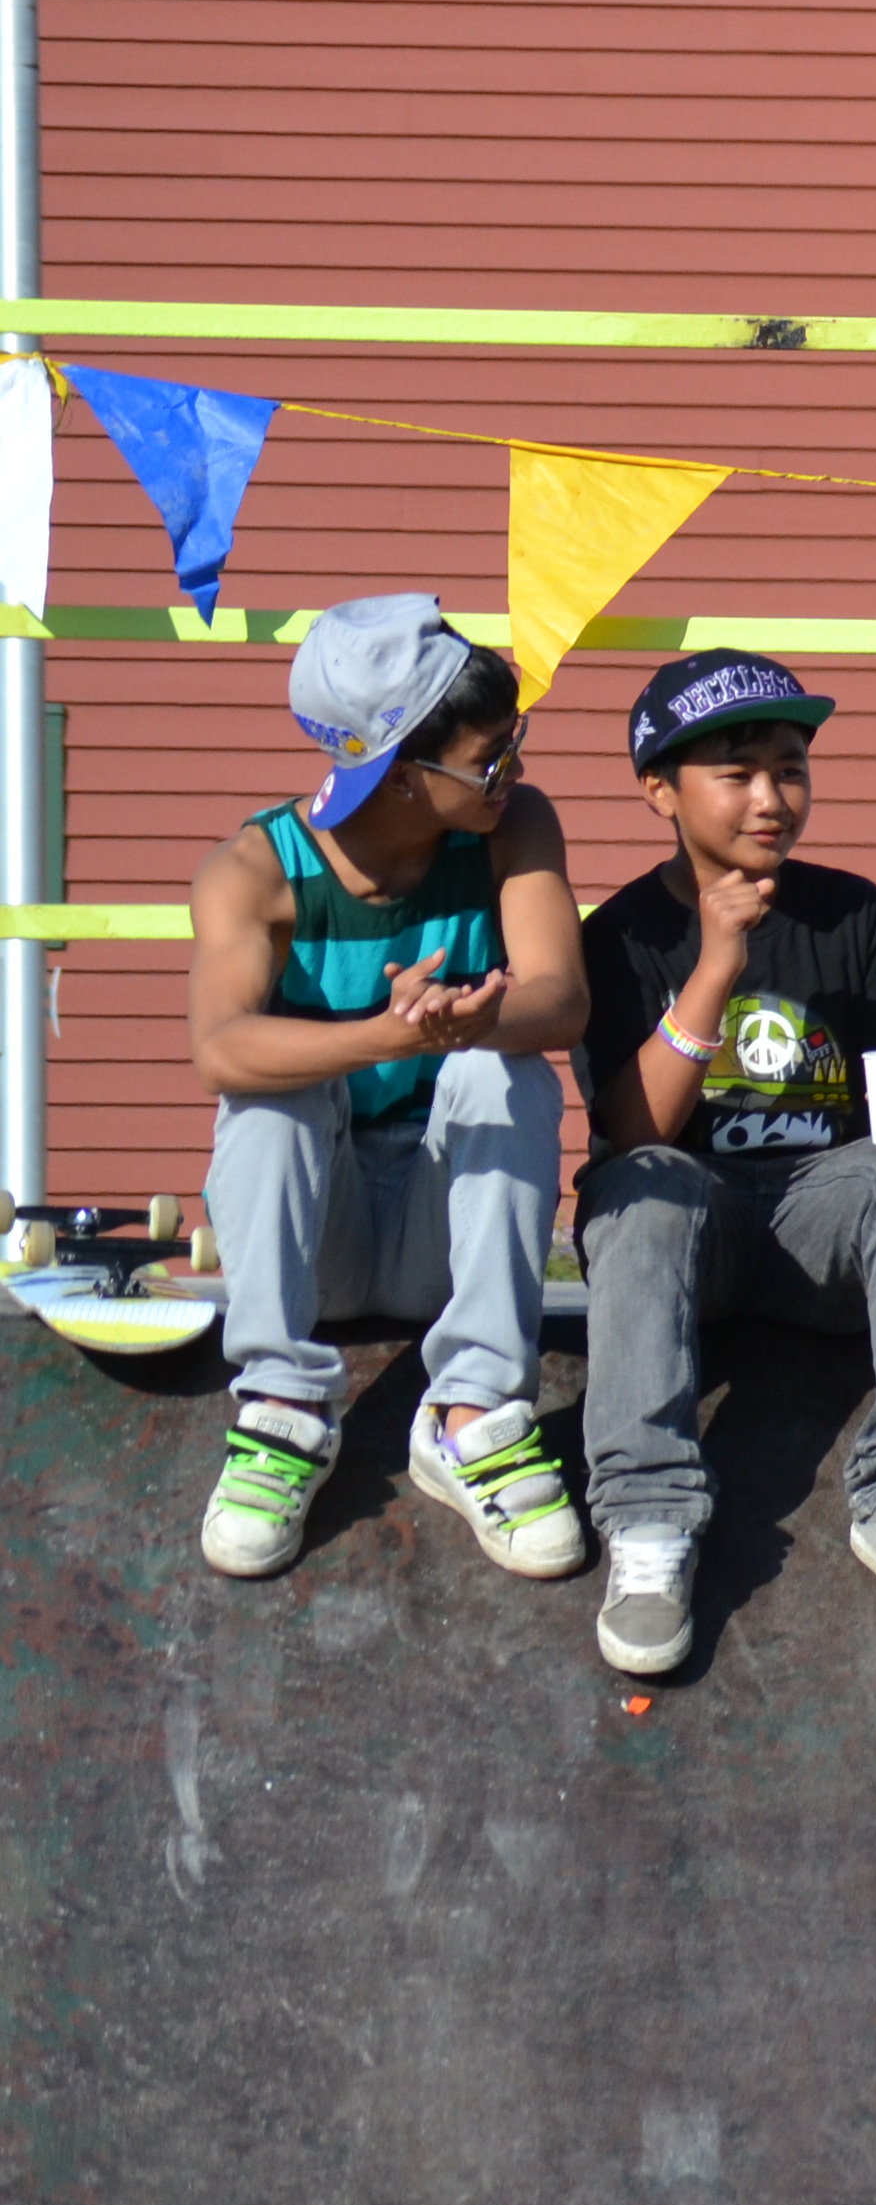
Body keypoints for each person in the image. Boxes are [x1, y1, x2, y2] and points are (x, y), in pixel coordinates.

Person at [572, 651, 876, 1677]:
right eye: (739, 771)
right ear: (659, 790)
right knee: (638, 1187)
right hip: (692, 1228)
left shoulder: (853, 915)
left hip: (824, 1225)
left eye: (792, 767)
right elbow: (634, 1133)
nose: (772, 796)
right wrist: (715, 962)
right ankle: (649, 1521)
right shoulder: (621, 935)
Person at [182, 595, 586, 1585]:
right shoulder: (253, 872)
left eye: (515, 740)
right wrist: (383, 1034)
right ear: (405, 772)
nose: (516, 769)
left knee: (507, 1068)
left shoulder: (510, 829)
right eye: (493, 754)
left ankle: (472, 1417)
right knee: (272, 1092)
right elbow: (219, 1050)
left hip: (442, 1238)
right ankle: (280, 1407)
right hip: (320, 1243)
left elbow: (563, 1000)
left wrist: (474, 1022)